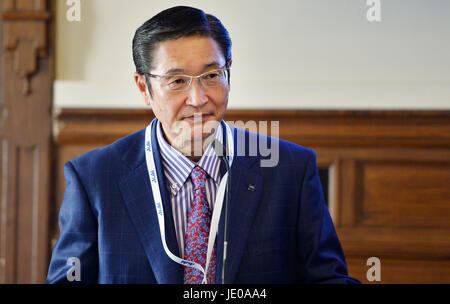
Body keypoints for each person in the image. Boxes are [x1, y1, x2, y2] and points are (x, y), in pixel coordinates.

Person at [46, 6, 359, 284]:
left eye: (211, 75)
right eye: (177, 81)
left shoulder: (288, 168)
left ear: (229, 73)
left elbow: (327, 278)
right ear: (144, 87)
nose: (198, 100)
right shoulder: (95, 177)